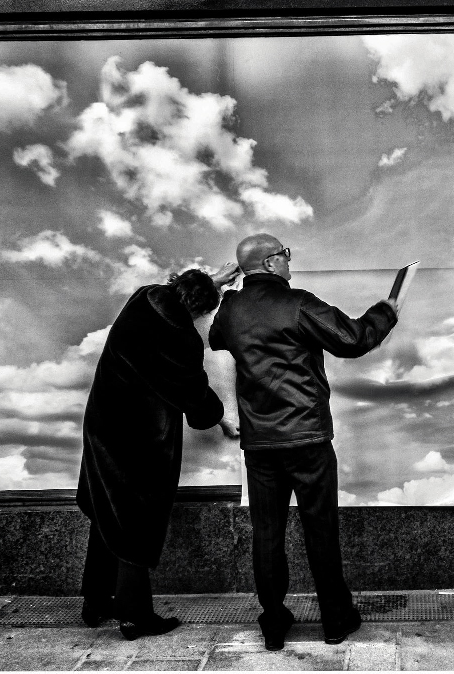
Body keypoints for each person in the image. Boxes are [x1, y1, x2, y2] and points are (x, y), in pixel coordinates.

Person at [208, 233, 397, 651]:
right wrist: (385, 311)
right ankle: (334, 620)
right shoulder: (298, 303)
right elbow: (353, 339)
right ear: (273, 263)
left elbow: (218, 338)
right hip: (307, 436)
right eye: (286, 255)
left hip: (260, 444)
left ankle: (273, 624)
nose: (290, 262)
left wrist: (220, 286)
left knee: (267, 535)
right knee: (321, 530)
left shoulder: (232, 308)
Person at [77, 265, 239, 640]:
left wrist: (210, 281)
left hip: (103, 425)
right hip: (140, 441)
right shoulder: (181, 339)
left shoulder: (143, 298)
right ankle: (134, 616)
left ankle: (96, 600)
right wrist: (222, 419)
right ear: (199, 311)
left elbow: (179, 295)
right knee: (135, 521)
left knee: (107, 511)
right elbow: (193, 394)